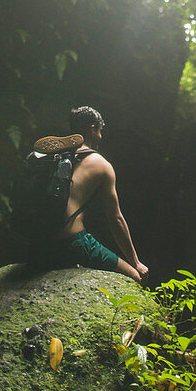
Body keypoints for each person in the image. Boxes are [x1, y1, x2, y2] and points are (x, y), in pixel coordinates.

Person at [34, 105, 149, 284]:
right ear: (93, 129)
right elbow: (116, 219)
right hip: (72, 243)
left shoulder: (54, 158)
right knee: (134, 277)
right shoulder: (101, 165)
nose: (100, 137)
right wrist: (136, 262)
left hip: (40, 241)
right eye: (100, 131)